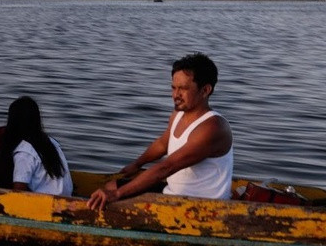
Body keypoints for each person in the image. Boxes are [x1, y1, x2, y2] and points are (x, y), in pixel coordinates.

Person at [87, 52, 233, 211]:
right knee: (111, 185)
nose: (175, 95)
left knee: (113, 198)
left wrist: (118, 194)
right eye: (173, 88)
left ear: (205, 90)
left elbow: (167, 167)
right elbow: (162, 144)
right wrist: (137, 164)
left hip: (201, 207)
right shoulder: (178, 115)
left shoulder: (213, 127)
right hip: (173, 194)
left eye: (183, 89)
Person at [0, 96, 73, 195]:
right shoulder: (52, 142)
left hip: (45, 201)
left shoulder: (24, 151)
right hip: (66, 197)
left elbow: (19, 192)